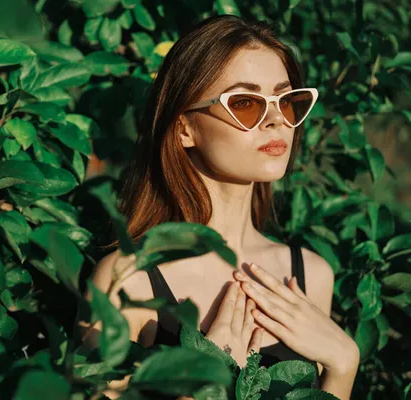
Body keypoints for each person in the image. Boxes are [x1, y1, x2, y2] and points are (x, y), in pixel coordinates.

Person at [80, 15, 360, 400]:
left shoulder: (310, 276)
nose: (277, 120)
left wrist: (344, 365)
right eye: (246, 103)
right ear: (184, 129)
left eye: (287, 101)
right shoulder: (129, 279)